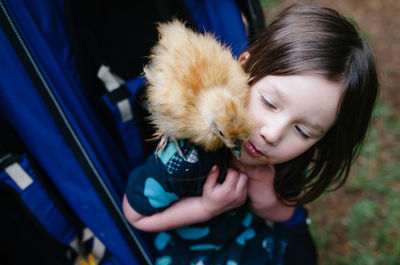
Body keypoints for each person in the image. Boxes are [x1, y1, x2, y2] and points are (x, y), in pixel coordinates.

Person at [122, 3, 379, 265]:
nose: (273, 134)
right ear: (244, 66)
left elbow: (285, 213)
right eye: (269, 103)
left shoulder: (292, 158)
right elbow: (136, 216)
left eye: (302, 130)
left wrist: (268, 203)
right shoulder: (185, 159)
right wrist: (206, 208)